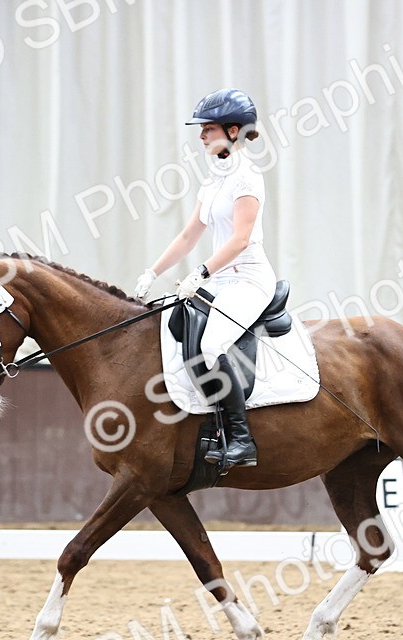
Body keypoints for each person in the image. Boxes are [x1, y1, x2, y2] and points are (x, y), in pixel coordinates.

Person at [134, 88, 275, 469]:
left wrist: (200, 273)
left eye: (208, 129)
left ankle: (241, 440)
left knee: (212, 345)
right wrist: (152, 272)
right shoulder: (213, 181)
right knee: (175, 324)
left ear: (233, 131)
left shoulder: (247, 179)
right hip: (220, 281)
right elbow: (187, 236)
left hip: (249, 280)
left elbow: (240, 239)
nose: (201, 137)